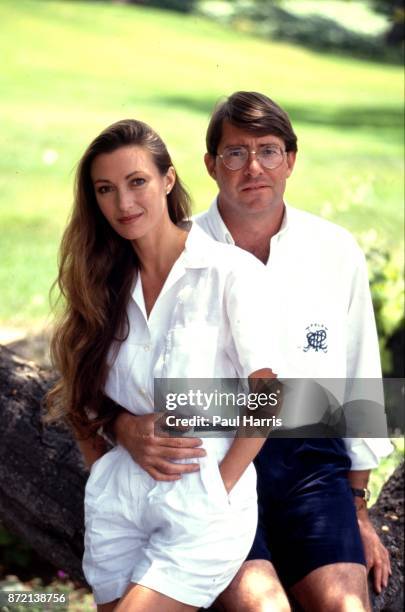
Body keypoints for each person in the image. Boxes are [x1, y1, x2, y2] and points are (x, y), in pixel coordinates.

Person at [111, 92, 393, 612]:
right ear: (211, 166)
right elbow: (112, 373)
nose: (254, 167)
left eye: (268, 150)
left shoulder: (334, 251)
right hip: (210, 461)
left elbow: (359, 378)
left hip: (312, 463)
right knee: (263, 608)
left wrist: (357, 509)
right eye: (236, 153)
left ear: (291, 159)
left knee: (346, 608)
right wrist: (125, 426)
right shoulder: (172, 251)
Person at [47, 118, 281, 612]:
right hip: (119, 508)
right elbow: (80, 397)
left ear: (168, 180)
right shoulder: (100, 283)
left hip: (202, 504)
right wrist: (112, 451)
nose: (123, 205)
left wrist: (220, 487)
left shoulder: (230, 273)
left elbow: (268, 393)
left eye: (137, 183)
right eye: (105, 190)